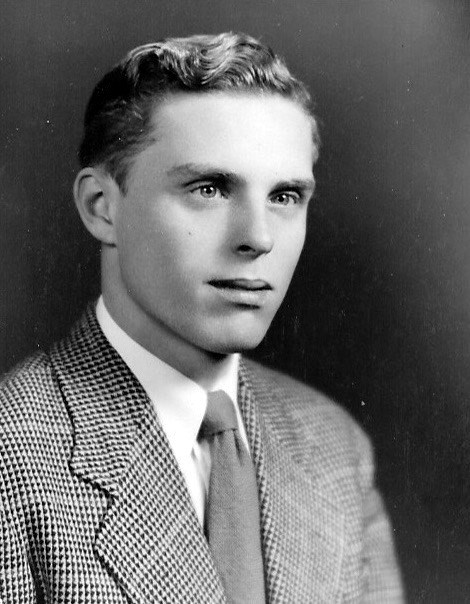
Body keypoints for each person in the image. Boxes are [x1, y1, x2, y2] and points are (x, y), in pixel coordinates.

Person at [0, 32, 403, 603]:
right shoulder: (13, 455)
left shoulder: (335, 447)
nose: (258, 238)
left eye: (285, 197)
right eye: (209, 188)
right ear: (101, 207)